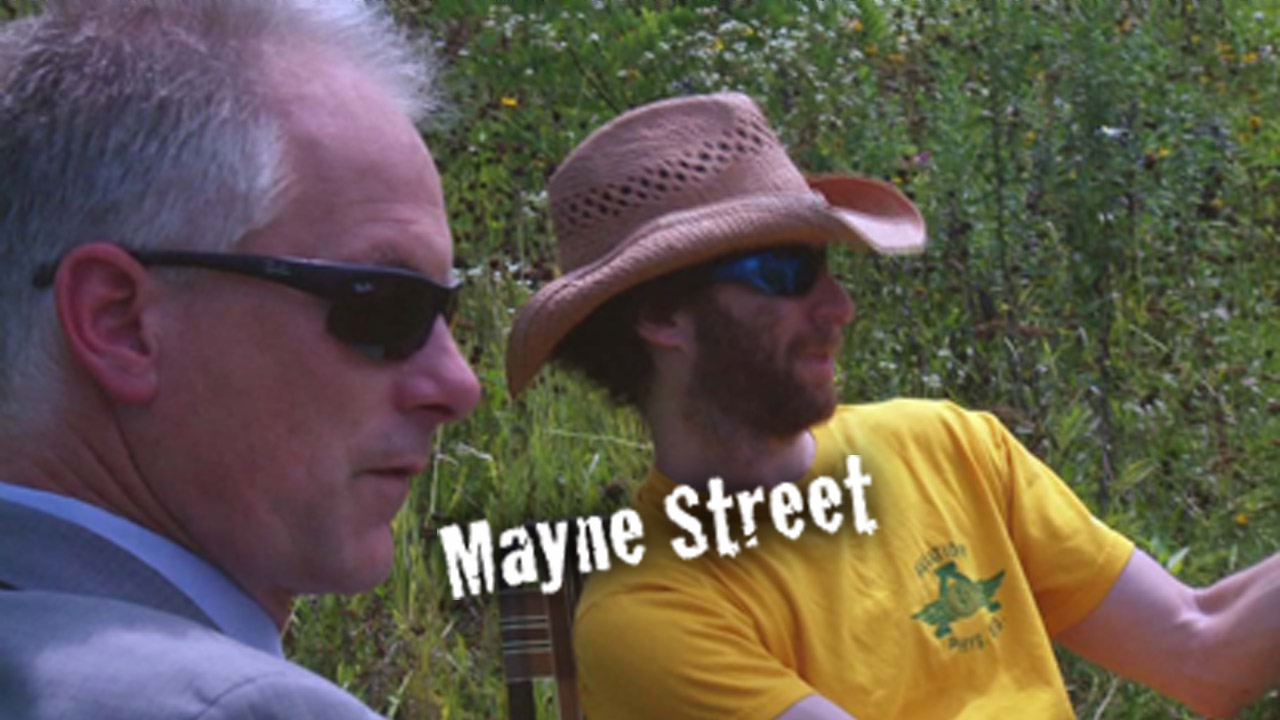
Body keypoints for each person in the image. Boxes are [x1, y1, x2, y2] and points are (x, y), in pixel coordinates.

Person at [504, 93, 1279, 720]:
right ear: (661, 316)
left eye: (827, 263)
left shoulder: (949, 445)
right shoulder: (649, 615)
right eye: (786, 271)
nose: (838, 306)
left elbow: (1202, 650)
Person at [0, 1, 481, 718]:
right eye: (384, 304)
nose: (459, 383)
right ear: (121, 323)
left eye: (448, 310)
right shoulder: (240, 707)